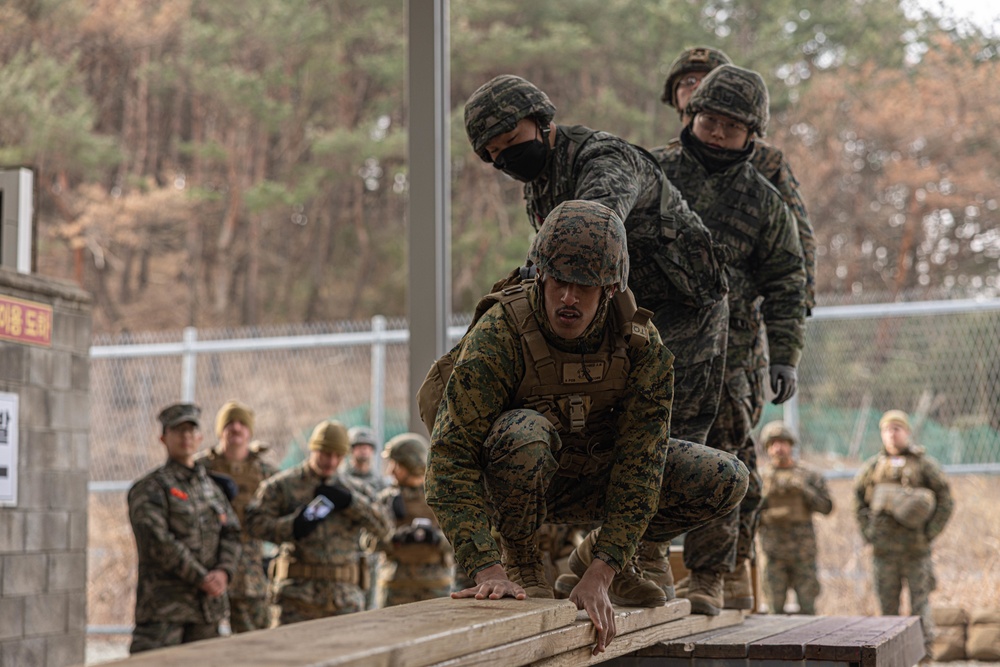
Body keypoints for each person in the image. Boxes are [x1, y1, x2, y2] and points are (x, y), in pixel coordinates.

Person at [424, 200, 749, 654]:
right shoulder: (500, 333)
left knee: (725, 477)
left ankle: (611, 552)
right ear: (540, 274)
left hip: (599, 477)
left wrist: (604, 568)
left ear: (612, 287)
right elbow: (450, 457)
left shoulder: (640, 344)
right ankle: (521, 560)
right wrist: (486, 567)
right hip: (520, 483)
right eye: (558, 281)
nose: (568, 298)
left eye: (584, 286)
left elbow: (642, 461)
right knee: (524, 434)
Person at [463, 73, 728, 448]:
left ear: (541, 121)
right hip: (624, 309)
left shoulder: (604, 158)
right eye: (494, 155)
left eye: (511, 141)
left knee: (671, 443)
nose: (506, 158)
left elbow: (591, 231)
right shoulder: (540, 181)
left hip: (683, 307)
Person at [651, 64, 807, 615]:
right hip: (652, 347)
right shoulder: (652, 172)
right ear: (692, 116)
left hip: (730, 357)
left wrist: (784, 356)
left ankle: (709, 575)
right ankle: (639, 558)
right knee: (640, 451)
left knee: (724, 461)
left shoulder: (765, 201)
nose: (717, 133)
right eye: (710, 120)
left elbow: (788, 281)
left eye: (731, 126)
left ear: (751, 134)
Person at [660, 45, 817, 315]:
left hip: (737, 319)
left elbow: (796, 237)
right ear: (675, 94)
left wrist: (799, 303)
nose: (697, 85)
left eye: (707, 78)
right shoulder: (662, 160)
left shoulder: (763, 159)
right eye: (688, 81)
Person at [245, 419, 393, 625]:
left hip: (344, 600)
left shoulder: (355, 489)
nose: (331, 462)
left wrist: (352, 503)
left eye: (338, 456)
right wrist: (294, 526)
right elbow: (254, 524)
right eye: (325, 454)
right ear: (313, 449)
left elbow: (385, 528)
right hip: (296, 600)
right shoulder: (283, 485)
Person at [127, 403, 242, 653]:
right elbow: (158, 542)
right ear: (163, 438)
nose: (186, 437)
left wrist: (223, 572)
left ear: (200, 437)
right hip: (165, 611)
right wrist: (201, 578)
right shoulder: (150, 488)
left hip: (206, 611)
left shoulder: (211, 488)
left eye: (191, 431)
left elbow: (232, 533)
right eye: (178, 431)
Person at [854, 410, 953, 654]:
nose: (892, 434)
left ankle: (924, 655)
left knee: (920, 606)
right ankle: (889, 656)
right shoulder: (873, 467)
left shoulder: (924, 465)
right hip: (883, 551)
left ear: (907, 432)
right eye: (887, 430)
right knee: (887, 610)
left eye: (897, 429)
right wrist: (868, 534)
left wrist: (930, 532)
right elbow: (858, 501)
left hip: (916, 551)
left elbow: (946, 499)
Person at [193, 399, 277, 632]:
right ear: (221, 430)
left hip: (251, 574)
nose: (236, 428)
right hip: (208, 568)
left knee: (254, 642)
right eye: (230, 423)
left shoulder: (265, 472)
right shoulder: (200, 468)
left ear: (250, 431)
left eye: (242, 423)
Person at [757, 421, 833, 615]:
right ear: (767, 447)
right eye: (773, 443)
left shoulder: (808, 475)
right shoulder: (760, 478)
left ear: (791, 445)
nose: (778, 448)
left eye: (782, 442)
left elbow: (826, 507)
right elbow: (749, 513)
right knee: (775, 610)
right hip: (773, 553)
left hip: (803, 553)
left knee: (808, 609)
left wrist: (803, 490)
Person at [375, 432, 453, 606]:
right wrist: (395, 538)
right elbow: (367, 541)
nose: (390, 471)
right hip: (395, 587)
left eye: (395, 464)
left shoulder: (441, 497)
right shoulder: (386, 499)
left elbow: (462, 539)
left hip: (435, 587)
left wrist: (435, 538)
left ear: (410, 464)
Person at [343, 425, 390, 493]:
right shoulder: (343, 477)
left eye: (367, 447)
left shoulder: (378, 481)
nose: (364, 450)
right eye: (360, 446)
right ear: (351, 449)